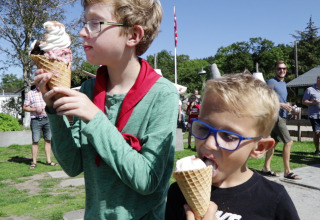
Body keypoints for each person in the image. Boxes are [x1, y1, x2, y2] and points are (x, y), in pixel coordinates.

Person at [34, 0, 179, 219]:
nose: (82, 32)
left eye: (95, 23)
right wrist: (53, 108)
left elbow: (147, 180)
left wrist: (95, 118)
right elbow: (72, 165)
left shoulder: (163, 95)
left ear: (133, 35)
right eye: (84, 23)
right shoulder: (88, 89)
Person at [165, 73, 300, 220]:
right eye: (203, 128)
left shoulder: (274, 200)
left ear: (259, 148)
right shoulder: (179, 192)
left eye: (228, 136)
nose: (209, 144)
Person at [261, 60, 301, 180]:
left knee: (274, 143)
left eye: (284, 68)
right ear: (275, 70)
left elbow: (282, 101)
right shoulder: (271, 82)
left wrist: (291, 110)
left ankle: (266, 168)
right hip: (275, 116)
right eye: (279, 68)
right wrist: (281, 105)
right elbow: (265, 99)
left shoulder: (284, 84)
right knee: (288, 142)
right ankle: (287, 171)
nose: (282, 70)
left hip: (282, 115)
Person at [23, 85, 57, 169]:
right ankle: (34, 162)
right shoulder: (30, 93)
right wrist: (35, 110)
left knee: (48, 140)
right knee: (35, 141)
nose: (40, 84)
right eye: (38, 82)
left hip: (47, 119)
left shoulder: (48, 92)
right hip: (36, 120)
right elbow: (25, 107)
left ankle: (48, 161)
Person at [302, 75, 320, 156]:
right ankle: (317, 149)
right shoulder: (310, 90)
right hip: (314, 115)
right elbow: (304, 101)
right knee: (316, 133)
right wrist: (313, 103)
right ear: (318, 80)